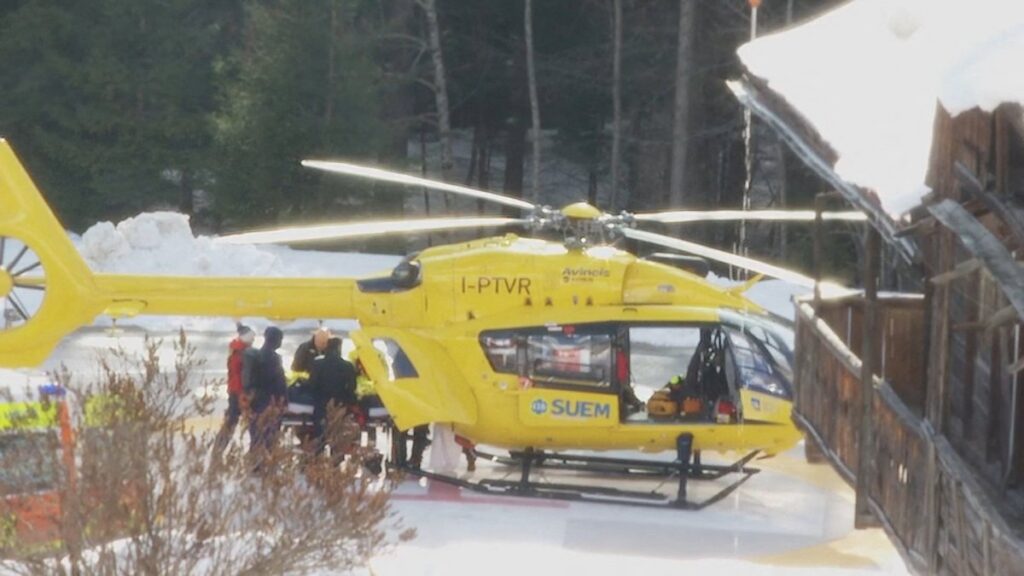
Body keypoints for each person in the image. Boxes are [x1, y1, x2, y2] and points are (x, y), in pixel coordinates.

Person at [308, 337, 357, 456]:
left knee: (320, 435)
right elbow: (352, 388)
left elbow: (312, 384)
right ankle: (336, 465)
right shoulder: (347, 366)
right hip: (340, 405)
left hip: (321, 403)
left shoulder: (317, 364)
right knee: (338, 437)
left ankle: (318, 462)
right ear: (339, 348)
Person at [248, 326, 288, 463]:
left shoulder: (255, 355)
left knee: (256, 435)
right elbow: (279, 383)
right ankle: (265, 464)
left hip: (256, 401)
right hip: (270, 402)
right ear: (276, 339)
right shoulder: (274, 358)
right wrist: (284, 401)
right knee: (269, 436)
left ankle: (255, 463)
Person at [213, 324, 254, 455]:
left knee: (231, 420)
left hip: (233, 389)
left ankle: (219, 448)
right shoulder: (244, 353)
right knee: (251, 422)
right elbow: (245, 374)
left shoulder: (235, 350)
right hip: (241, 391)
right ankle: (255, 451)